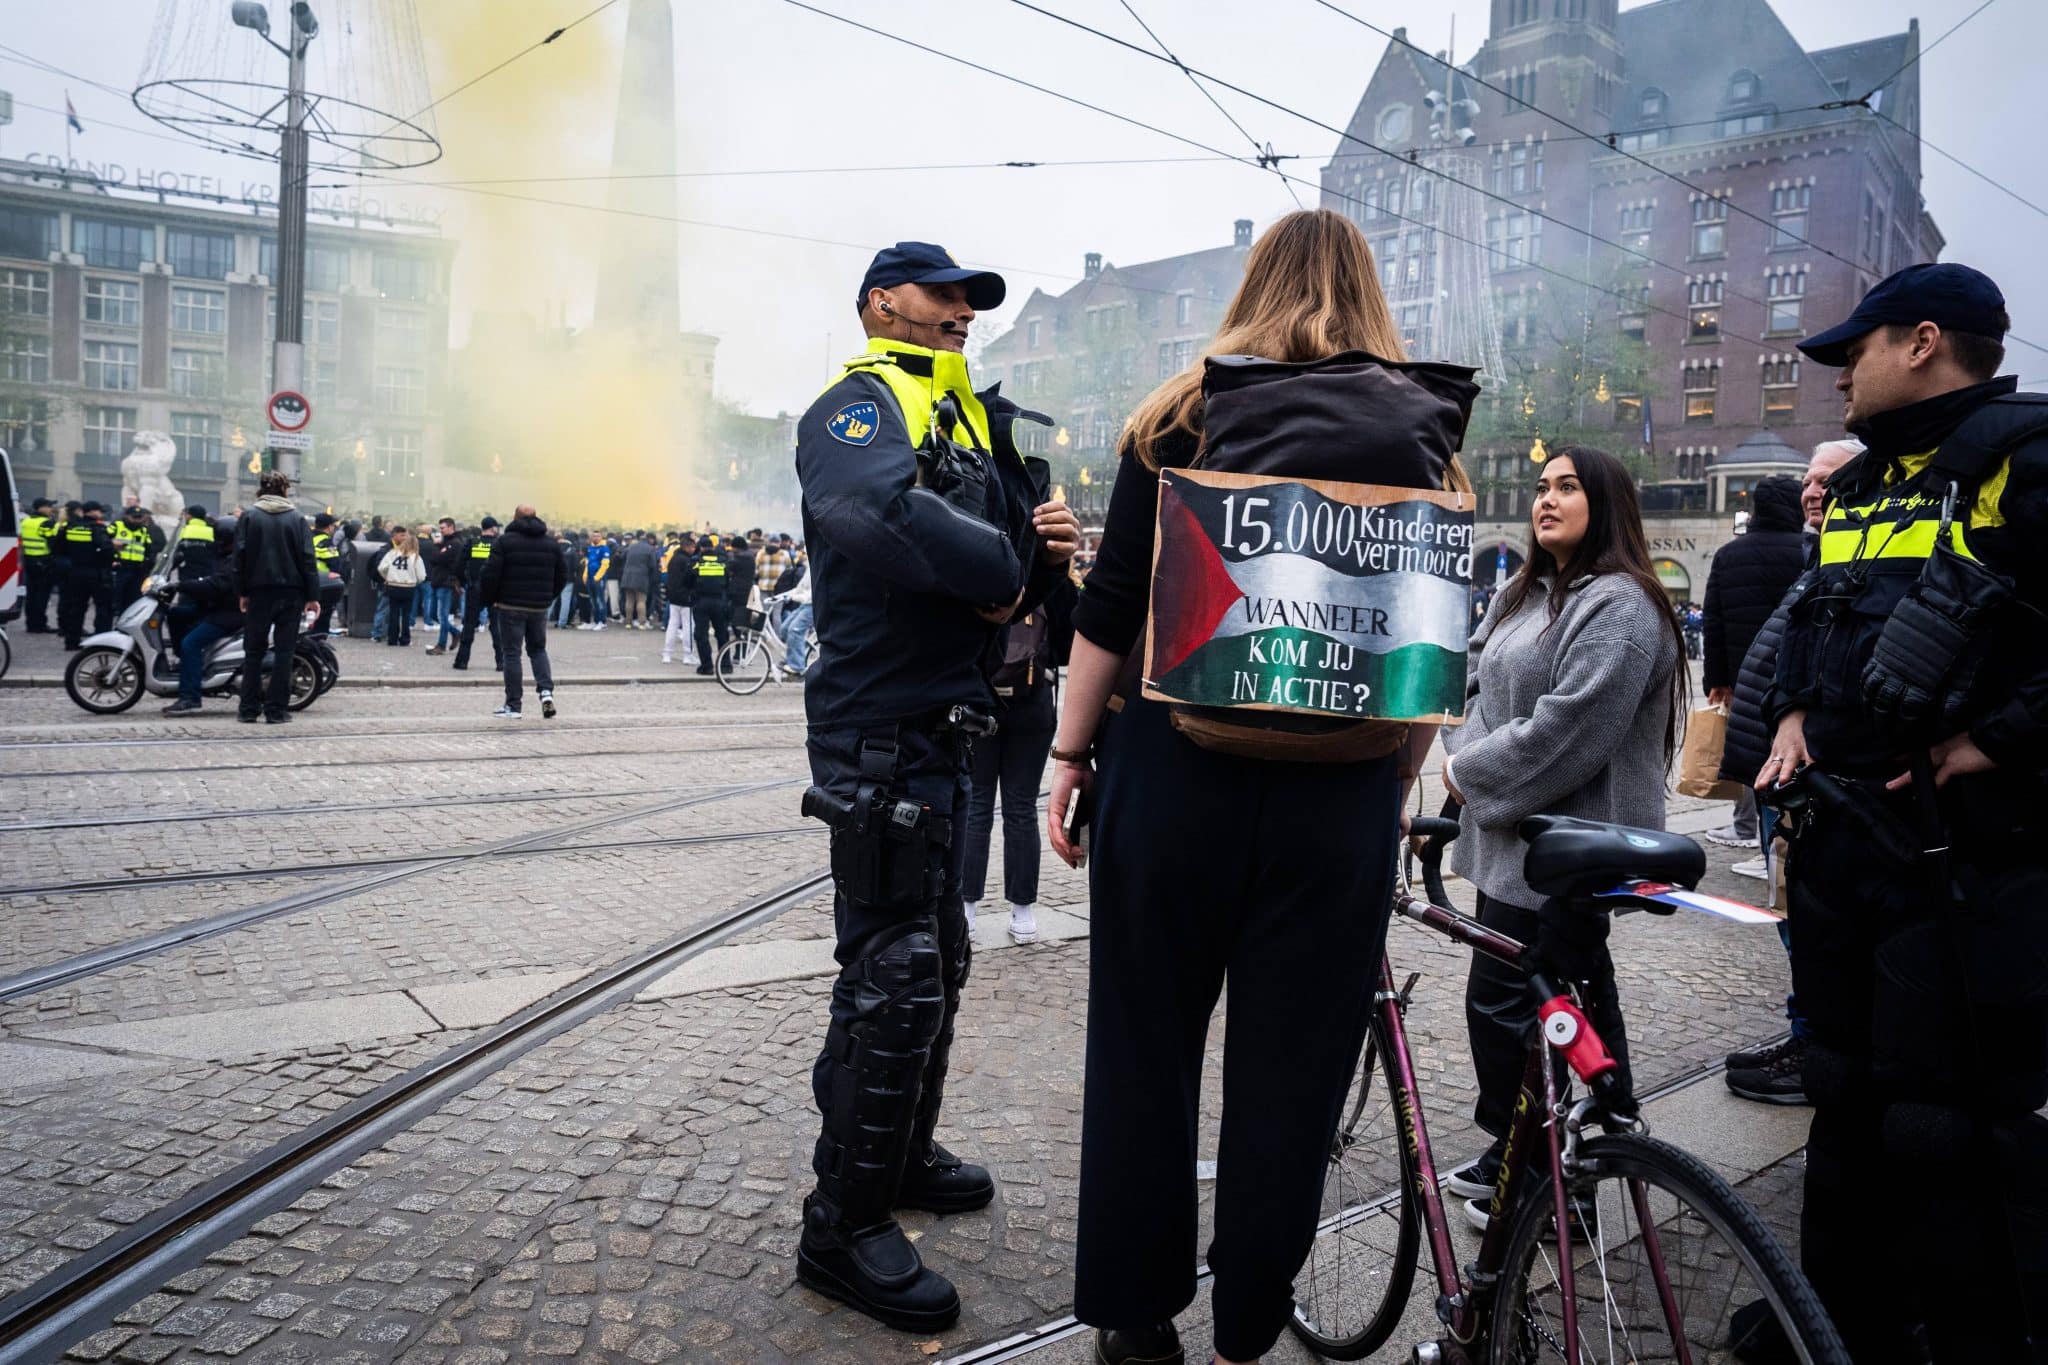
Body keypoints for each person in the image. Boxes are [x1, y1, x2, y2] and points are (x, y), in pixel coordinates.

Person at [1042, 211, 1459, 1365]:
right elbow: (1421, 654)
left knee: (1143, 1050)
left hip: (1174, 775)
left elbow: (1112, 606)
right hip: (1339, 802)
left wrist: (1070, 756)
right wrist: (1388, 778)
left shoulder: (1180, 416)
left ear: (1253, 287)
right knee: (1292, 1076)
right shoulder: (1428, 433)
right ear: (1368, 296)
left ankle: (1136, 1320)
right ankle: (1244, 1332)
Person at [1756, 262, 2047, 1361]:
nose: (1838, 375)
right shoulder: (1866, 480)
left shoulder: (2024, 459)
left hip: (1971, 867)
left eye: (1854, 351)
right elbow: (1818, 616)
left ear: (1920, 341)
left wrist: (1989, 742)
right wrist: (1789, 712)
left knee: (1946, 1127)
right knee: (1841, 1094)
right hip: (1846, 851)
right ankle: (1834, 1327)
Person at [791, 240, 1079, 1331]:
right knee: (896, 968)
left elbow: (1014, 572)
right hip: (876, 724)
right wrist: (1011, 570)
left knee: (932, 954)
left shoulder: (965, 418)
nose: (963, 310)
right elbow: (878, 517)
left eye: (971, 300)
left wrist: (1046, 548)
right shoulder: (857, 405)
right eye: (942, 294)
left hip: (948, 718)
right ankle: (841, 1226)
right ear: (881, 303)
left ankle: (896, 1159)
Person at [1437, 446, 1686, 1231]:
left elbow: (1571, 728)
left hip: (1564, 847)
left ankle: (1555, 1187)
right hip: (1513, 839)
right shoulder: (1527, 591)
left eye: (1567, 488)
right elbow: (1472, 676)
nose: (1546, 499)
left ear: (1604, 502)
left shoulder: (1621, 606)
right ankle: (1529, 1145)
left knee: (1512, 1005)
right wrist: (1472, 759)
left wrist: (1468, 774)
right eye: (1541, 486)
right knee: (1554, 996)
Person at [1717, 440, 1862, 1105]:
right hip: (1781, 771)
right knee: (1790, 908)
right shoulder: (1816, 555)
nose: (1812, 490)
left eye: (1826, 479)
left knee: (1807, 912)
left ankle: (1817, 1043)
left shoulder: (1852, 559)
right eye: (1807, 479)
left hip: (1810, 775)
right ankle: (1809, 1032)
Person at [961, 572, 1073, 942]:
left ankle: (967, 910)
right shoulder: (1054, 580)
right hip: (1034, 704)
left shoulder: (980, 568)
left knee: (976, 805)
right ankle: (1023, 913)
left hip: (981, 702)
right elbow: (1067, 646)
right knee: (1021, 808)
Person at [1697, 475, 1805, 851]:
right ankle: (1786, 839)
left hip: (1745, 673)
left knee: (1748, 749)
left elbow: (1715, 622)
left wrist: (1718, 679)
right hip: (1797, 676)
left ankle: (1751, 828)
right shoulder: (1810, 549)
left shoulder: (1729, 554)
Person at [232, 471, 319, 725]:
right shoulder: (296, 519)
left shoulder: (249, 517)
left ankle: (248, 709)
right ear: (285, 491)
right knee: (284, 652)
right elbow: (307, 559)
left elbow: (239, 558)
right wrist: (312, 596)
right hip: (291, 593)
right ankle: (276, 710)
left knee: (253, 652)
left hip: (258, 591)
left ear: (261, 490)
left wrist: (242, 592)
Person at [482, 505, 568, 720]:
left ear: (515, 518)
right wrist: (548, 597)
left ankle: (513, 705)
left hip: (510, 605)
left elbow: (491, 574)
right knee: (538, 650)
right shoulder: (551, 544)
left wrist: (491, 599)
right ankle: (546, 693)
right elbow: (562, 576)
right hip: (539, 607)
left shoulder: (505, 542)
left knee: (512, 653)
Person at [161, 522, 243, 716]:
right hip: (217, 607)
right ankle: (187, 666)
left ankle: (190, 697)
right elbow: (209, 580)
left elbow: (217, 585)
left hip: (230, 614)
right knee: (176, 614)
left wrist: (182, 585)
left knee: (191, 643)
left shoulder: (236, 560)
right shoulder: (225, 555)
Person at [56, 501, 114, 649]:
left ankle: (71, 641)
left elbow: (59, 548)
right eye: (100, 512)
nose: (101, 514)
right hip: (97, 573)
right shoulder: (98, 528)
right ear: (93, 512)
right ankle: (101, 642)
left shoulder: (69, 528)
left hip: (75, 572)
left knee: (76, 608)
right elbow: (106, 550)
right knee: (103, 608)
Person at [453, 516, 503, 669]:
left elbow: (459, 566)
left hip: (475, 588)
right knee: (496, 627)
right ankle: (501, 662)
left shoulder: (472, 543)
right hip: (495, 591)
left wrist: (463, 582)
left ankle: (462, 661)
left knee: (469, 625)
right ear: (493, 528)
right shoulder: (499, 544)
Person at [374, 525, 427, 647]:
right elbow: (422, 576)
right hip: (408, 587)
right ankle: (405, 639)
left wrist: (388, 577)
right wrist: (415, 581)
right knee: (406, 614)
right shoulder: (415, 557)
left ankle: (392, 639)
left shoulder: (392, 553)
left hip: (393, 586)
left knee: (394, 612)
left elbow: (381, 567)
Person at [422, 516, 465, 655]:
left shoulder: (455, 543)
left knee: (442, 615)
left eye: (443, 528)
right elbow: (434, 559)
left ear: (451, 527)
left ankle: (441, 645)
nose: (440, 531)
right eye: (439, 528)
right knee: (433, 614)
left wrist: (437, 546)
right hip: (437, 581)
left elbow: (438, 558)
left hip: (446, 582)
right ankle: (455, 632)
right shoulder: (445, 543)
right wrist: (439, 548)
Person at [690, 533, 732, 673]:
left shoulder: (696, 562)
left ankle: (707, 666)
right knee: (722, 634)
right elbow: (727, 581)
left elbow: (686, 581)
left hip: (701, 602)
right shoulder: (722, 562)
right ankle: (725, 666)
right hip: (720, 601)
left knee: (701, 635)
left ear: (700, 547)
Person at [110, 505, 165, 613]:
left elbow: (149, 549)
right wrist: (112, 544)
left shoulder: (144, 530)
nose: (137, 520)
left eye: (139, 517)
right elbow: (104, 540)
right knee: (115, 599)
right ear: (126, 516)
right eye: (134, 517)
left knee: (133, 600)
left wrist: (149, 564)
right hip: (119, 567)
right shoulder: (117, 526)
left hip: (137, 570)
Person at [18, 496, 56, 633]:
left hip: (28, 561)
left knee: (31, 595)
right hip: (44, 563)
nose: (52, 509)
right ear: (41, 508)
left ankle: (30, 623)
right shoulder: (47, 523)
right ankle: (40, 624)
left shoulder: (26, 521)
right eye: (49, 506)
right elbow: (54, 544)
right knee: (42, 595)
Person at [662, 531, 699, 666]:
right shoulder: (687, 561)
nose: (694, 549)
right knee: (688, 627)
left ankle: (667, 654)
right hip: (686, 598)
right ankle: (688, 655)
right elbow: (690, 579)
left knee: (672, 626)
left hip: (673, 597)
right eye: (692, 547)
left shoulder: (674, 559)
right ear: (686, 547)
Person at [309, 513, 345, 637]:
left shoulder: (307, 537)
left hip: (308, 581)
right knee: (323, 614)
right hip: (324, 583)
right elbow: (335, 564)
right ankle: (320, 637)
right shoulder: (325, 541)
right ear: (329, 527)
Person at [619, 531, 658, 628]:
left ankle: (628, 622)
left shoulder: (630, 547)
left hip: (627, 577)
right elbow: (653, 565)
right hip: (641, 578)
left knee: (629, 600)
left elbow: (622, 557)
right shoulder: (650, 549)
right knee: (641, 601)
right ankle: (642, 623)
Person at [580, 533, 611, 629]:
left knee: (599, 600)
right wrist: (585, 575)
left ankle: (602, 622)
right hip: (589, 577)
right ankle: (596, 620)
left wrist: (597, 577)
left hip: (599, 578)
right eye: (593, 536)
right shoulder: (590, 548)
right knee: (592, 600)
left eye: (598, 536)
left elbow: (605, 565)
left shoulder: (604, 548)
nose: (595, 537)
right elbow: (587, 562)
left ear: (601, 537)